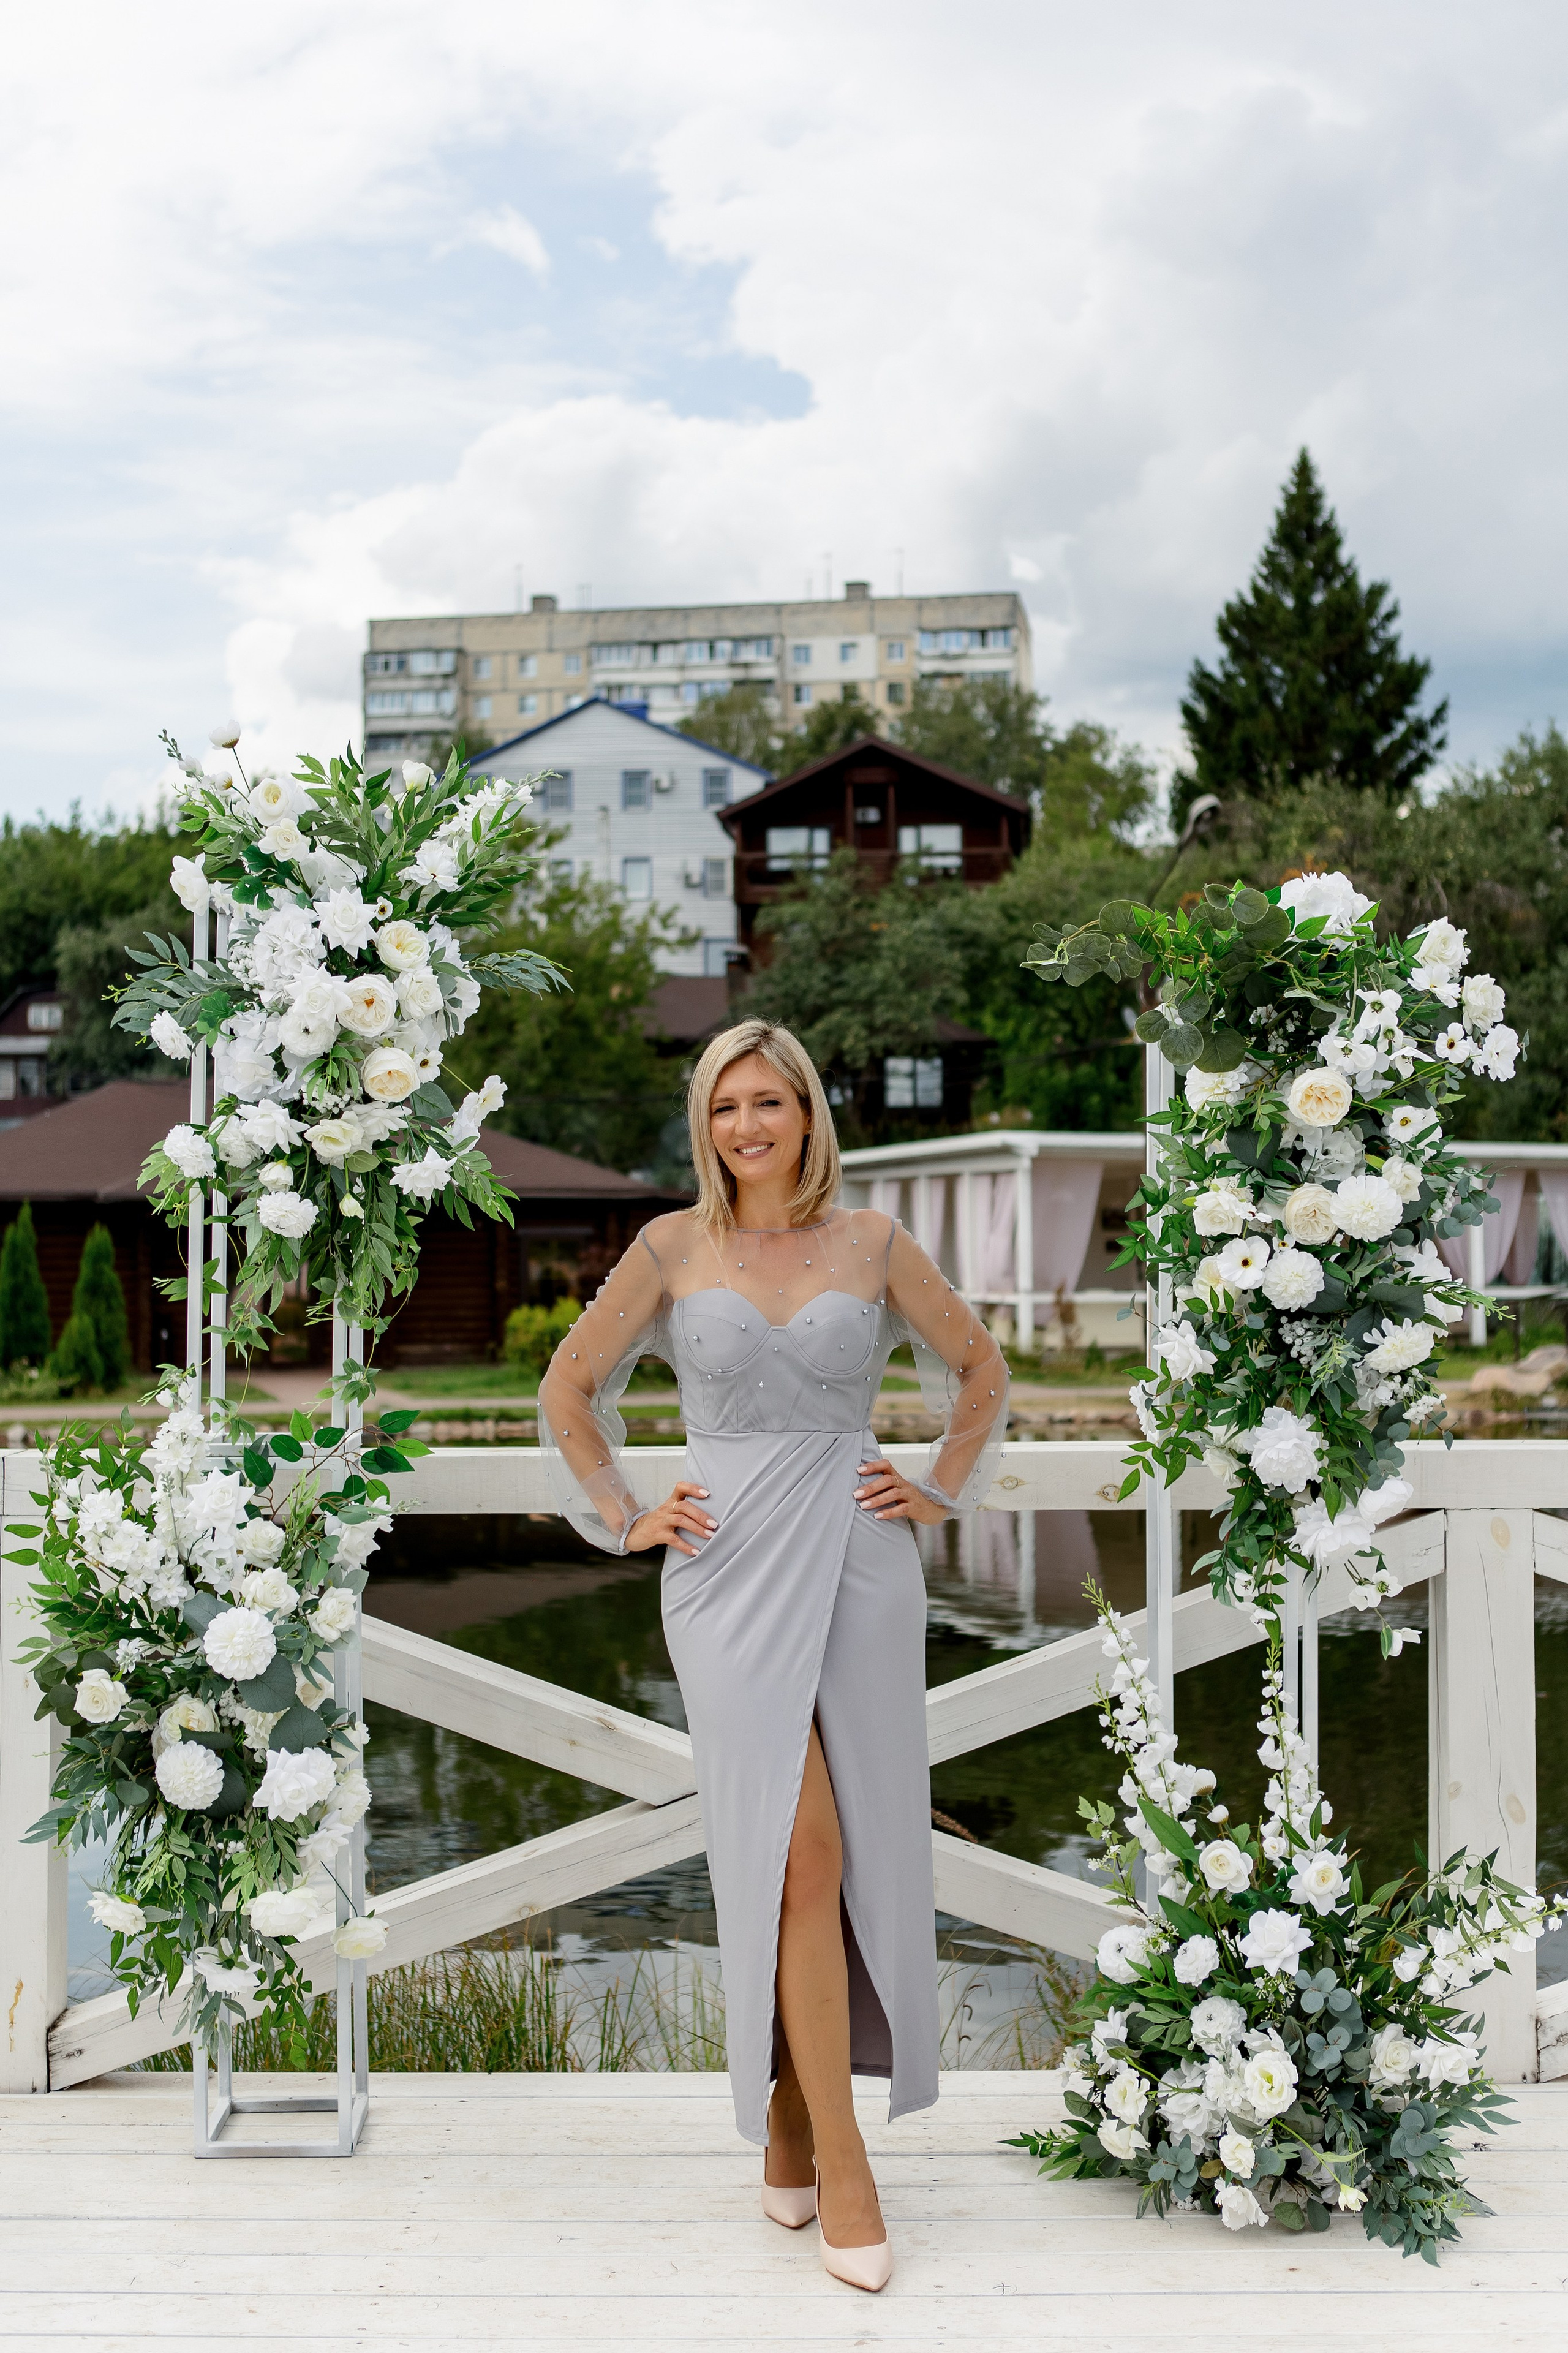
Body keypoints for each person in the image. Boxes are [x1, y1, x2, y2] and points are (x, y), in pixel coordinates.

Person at [540, 1021, 1008, 2292]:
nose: (746, 1125)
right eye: (724, 1105)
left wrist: (941, 1486)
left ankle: (795, 2121)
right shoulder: (670, 1246)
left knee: (849, 1846)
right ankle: (843, 2158)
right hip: (725, 1566)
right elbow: (569, 1386)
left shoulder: (872, 1244)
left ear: (807, 1113)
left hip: (860, 1562)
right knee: (793, 1848)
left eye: (768, 1101)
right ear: (707, 1123)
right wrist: (626, 1511)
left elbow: (977, 1367)